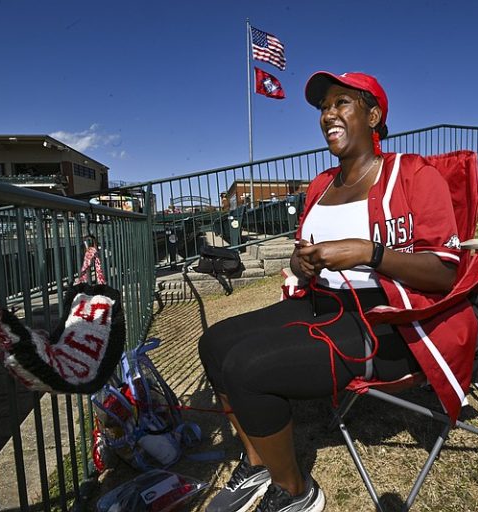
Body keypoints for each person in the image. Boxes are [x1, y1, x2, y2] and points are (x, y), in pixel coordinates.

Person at [198, 71, 462, 512]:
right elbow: (303, 258)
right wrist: (299, 263)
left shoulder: (413, 173)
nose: (328, 115)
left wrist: (370, 253)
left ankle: (296, 494)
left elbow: (445, 274)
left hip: (388, 320)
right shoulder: (321, 185)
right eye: (323, 107)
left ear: (373, 115)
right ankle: (259, 461)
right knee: (215, 343)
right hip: (322, 303)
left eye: (342, 103)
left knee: (247, 367)